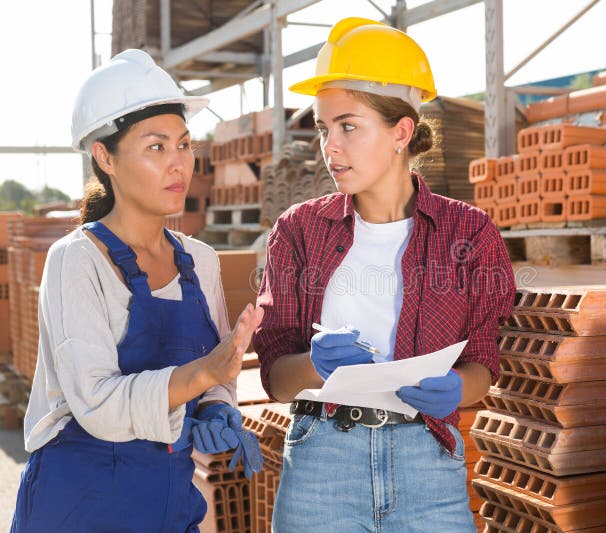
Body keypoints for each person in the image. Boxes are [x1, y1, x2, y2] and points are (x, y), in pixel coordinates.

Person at [253, 17, 516, 532]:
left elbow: (484, 364)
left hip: (427, 466)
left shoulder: (469, 233)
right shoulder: (299, 231)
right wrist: (313, 364)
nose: (330, 146)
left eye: (348, 126)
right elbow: (276, 379)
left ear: (401, 132)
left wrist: (456, 389)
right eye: (324, 129)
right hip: (321, 465)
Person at [11, 49, 264, 532]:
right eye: (156, 147)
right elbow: (98, 404)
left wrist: (217, 407)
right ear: (104, 156)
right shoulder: (77, 261)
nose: (179, 164)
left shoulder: (201, 262)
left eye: (185, 145)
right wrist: (203, 373)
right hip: (79, 504)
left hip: (168, 500)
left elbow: (215, 376)